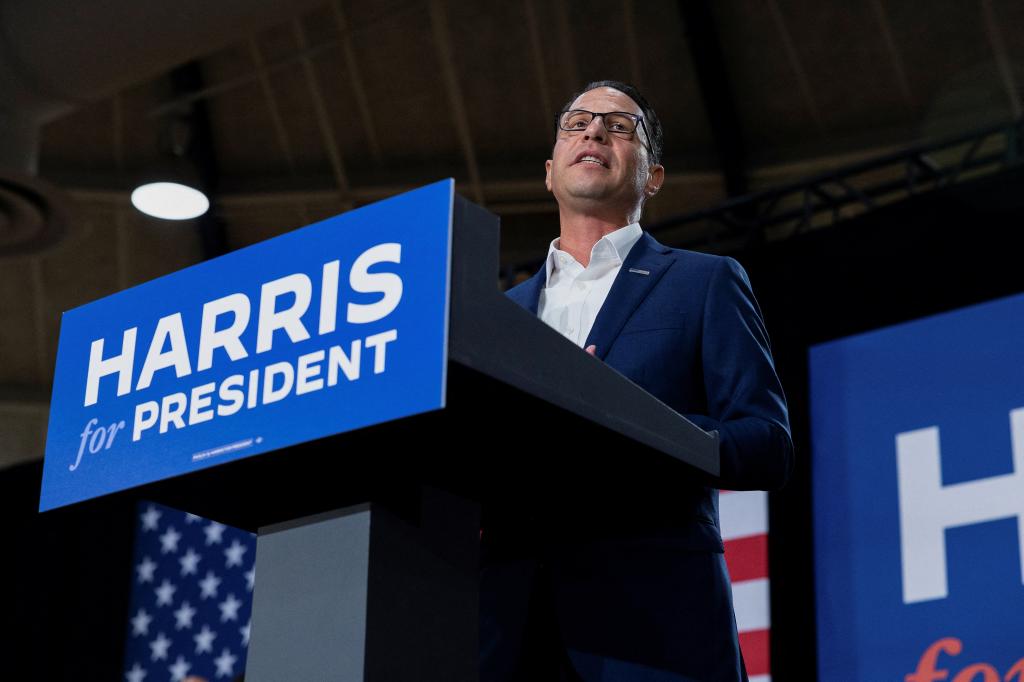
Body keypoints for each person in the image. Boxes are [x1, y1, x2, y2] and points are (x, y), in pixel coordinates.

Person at [481, 81, 794, 681]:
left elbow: (765, 443)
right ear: (550, 172)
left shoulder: (704, 283)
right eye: (575, 124)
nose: (594, 132)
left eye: (620, 127)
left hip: (653, 633)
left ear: (652, 177)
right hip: (509, 635)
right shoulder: (494, 317)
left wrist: (630, 432)